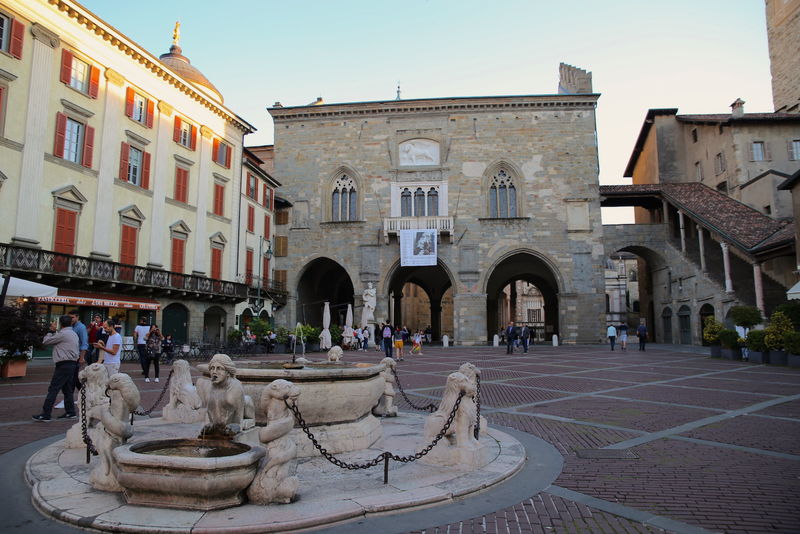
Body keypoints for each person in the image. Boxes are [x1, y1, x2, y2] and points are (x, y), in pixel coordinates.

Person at [32, 315, 80, 422]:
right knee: (67, 389)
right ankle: (70, 412)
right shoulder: (73, 333)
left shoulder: (63, 334)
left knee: (53, 389)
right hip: (71, 364)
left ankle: (46, 414)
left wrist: (50, 330)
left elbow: (46, 341)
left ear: (60, 324)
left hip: (64, 365)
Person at [68, 310, 88, 387]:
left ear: (77, 317)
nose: (71, 319)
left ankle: (84, 396)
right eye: (69, 317)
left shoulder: (81, 327)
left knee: (75, 378)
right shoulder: (71, 326)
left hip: (78, 355)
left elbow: (84, 343)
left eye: (72, 317)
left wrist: (82, 358)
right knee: (74, 378)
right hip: (72, 355)